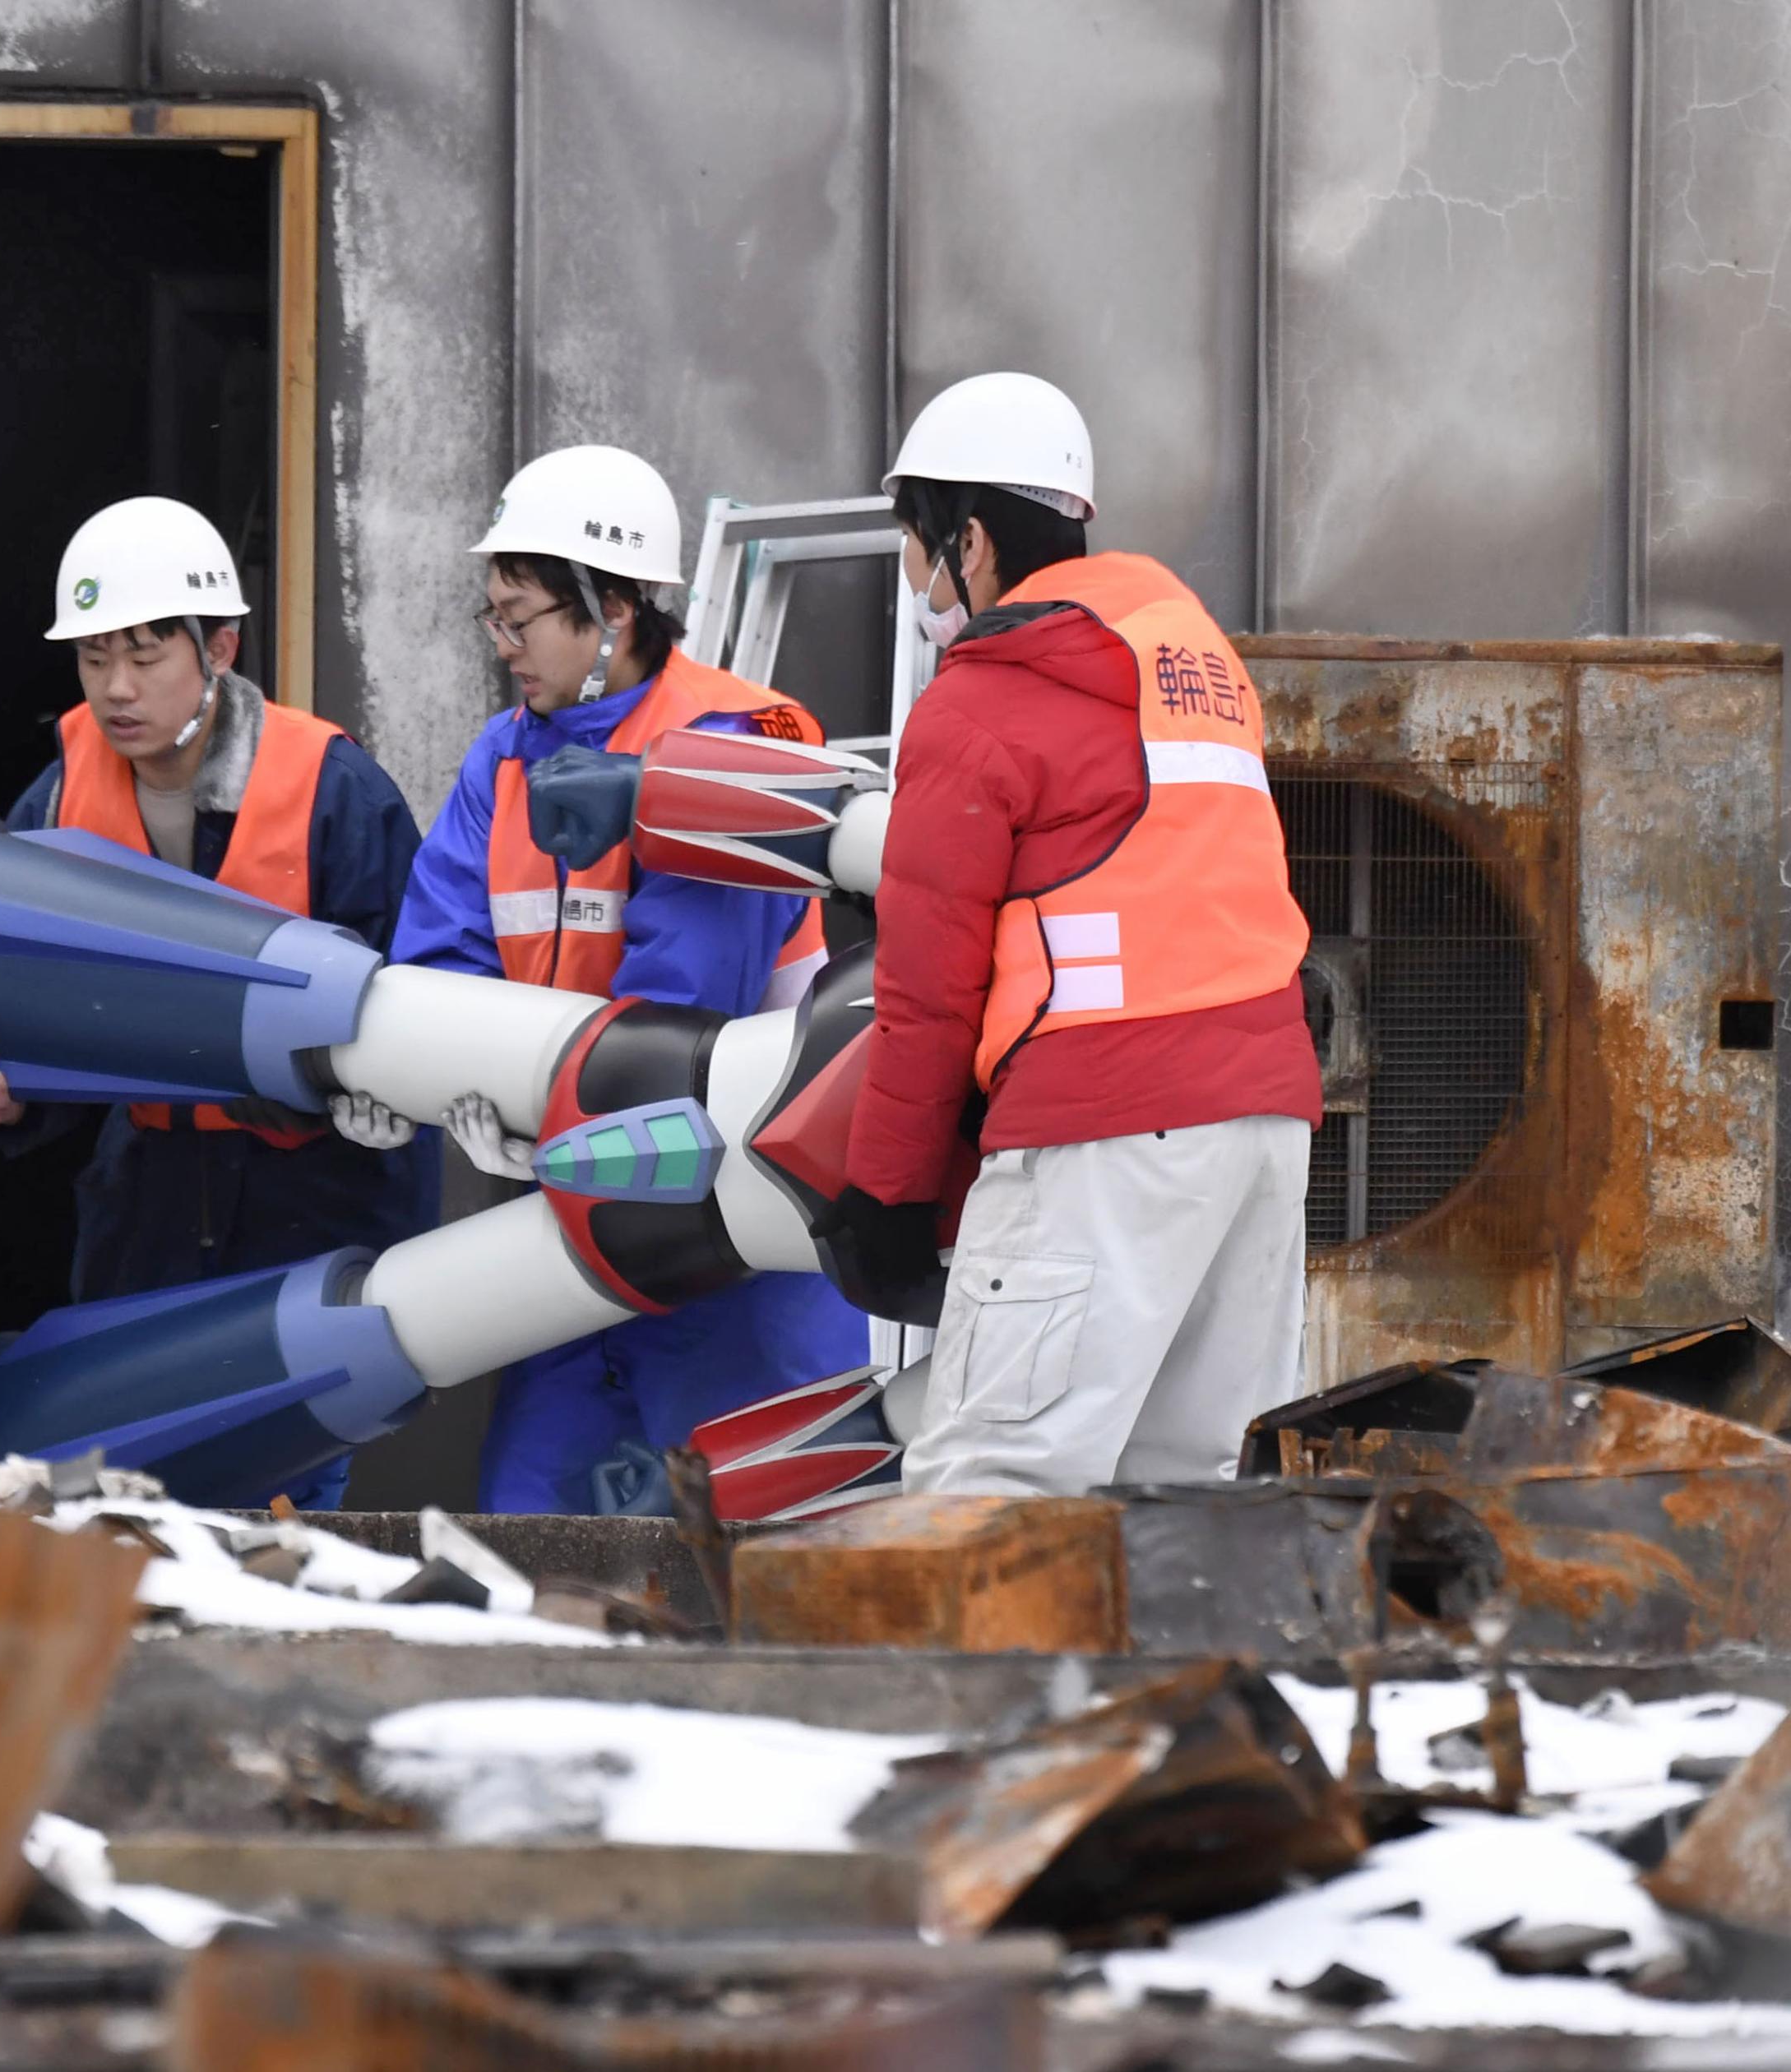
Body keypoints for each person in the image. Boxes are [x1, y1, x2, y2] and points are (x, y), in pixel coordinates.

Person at [816, 371, 1319, 1494]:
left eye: (914, 542)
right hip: (1263, 1133)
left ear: (972, 542)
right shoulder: (1192, 671)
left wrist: (887, 1196)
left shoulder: (980, 702)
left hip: (1101, 1133)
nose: (913, 576)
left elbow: (928, 994)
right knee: (1189, 1505)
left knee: (994, 1493)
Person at [378, 445, 869, 1515]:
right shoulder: (501, 760)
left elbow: (683, 1009)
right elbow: (436, 961)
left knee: (764, 1560)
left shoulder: (733, 746)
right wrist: (440, 1079)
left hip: (734, 1232)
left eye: (523, 618)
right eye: (493, 618)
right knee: (538, 1530)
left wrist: (529, 1105)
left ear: (612, 610)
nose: (503, 645)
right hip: (570, 1235)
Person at [0, 496, 437, 1505]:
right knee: (130, 1500)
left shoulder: (333, 792)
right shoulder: (53, 802)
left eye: (144, 654)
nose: (115, 689)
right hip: (149, 1207)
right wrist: (1, 1100)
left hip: (306, 1205)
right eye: (91, 658)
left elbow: (417, 1022)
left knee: (287, 1498)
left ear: (218, 646)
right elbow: (24, 1018)